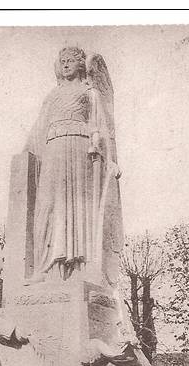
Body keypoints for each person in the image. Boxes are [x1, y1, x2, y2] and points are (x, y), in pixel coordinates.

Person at [25, 47, 120, 280]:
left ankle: (78, 267)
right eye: (63, 61)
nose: (65, 64)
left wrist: (109, 156)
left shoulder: (90, 93)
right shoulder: (52, 95)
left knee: (76, 206)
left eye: (70, 61)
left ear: (80, 65)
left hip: (80, 149)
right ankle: (45, 266)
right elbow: (38, 128)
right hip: (54, 149)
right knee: (48, 205)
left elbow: (100, 126)